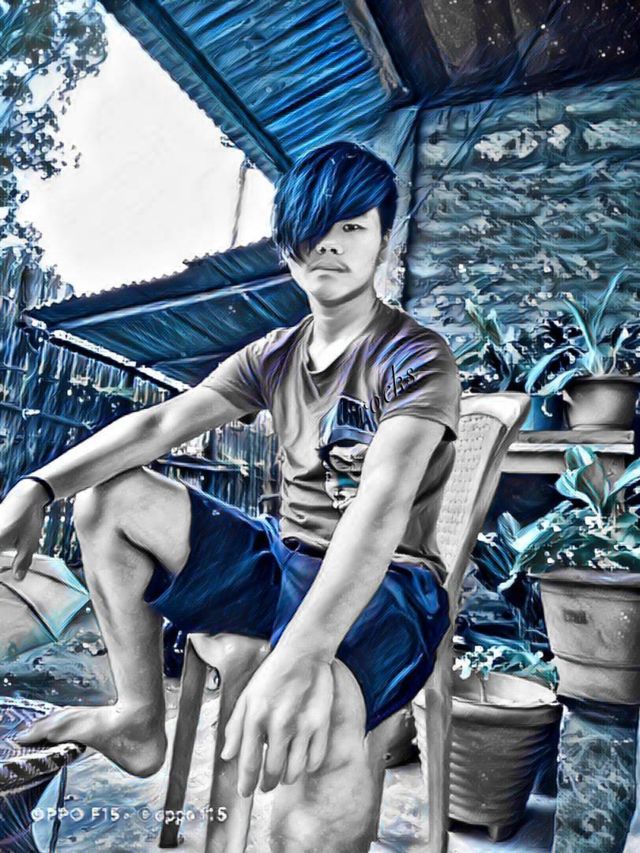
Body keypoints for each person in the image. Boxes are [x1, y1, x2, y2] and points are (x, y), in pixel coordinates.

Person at [5, 140, 460, 852]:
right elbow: (159, 425)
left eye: (352, 227)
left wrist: (300, 657)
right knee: (107, 498)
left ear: (384, 239)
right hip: (283, 558)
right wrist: (38, 487)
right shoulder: (274, 353)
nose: (330, 245)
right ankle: (137, 717)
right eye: (315, 227)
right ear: (287, 247)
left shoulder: (415, 355)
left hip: (390, 579)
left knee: (323, 705)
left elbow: (381, 503)